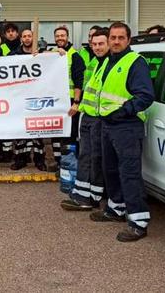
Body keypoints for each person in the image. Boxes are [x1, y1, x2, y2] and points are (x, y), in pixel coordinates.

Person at [88, 22, 155, 242]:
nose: (116, 42)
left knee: (129, 174)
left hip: (126, 126)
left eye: (120, 38)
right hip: (108, 125)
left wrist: (122, 112)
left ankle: (138, 221)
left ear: (128, 40)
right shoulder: (108, 60)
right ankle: (116, 209)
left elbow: (145, 96)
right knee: (111, 170)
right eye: (113, 38)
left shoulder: (135, 62)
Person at [61, 27, 109, 211]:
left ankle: (91, 197)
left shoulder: (108, 64)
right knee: (87, 156)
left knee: (94, 158)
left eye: (100, 43)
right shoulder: (95, 63)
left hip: (100, 118)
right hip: (88, 116)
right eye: (94, 43)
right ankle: (83, 195)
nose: (97, 47)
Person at [48, 26, 85, 173]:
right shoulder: (51, 53)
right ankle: (59, 162)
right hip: (54, 101)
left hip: (69, 102)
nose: (60, 38)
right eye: (57, 36)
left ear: (68, 37)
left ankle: (69, 165)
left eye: (62, 35)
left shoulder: (74, 56)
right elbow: (37, 56)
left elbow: (78, 82)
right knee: (55, 133)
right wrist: (55, 52)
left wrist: (76, 103)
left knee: (69, 135)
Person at [9, 29, 46, 171]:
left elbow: (55, 58)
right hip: (19, 98)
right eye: (24, 36)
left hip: (37, 98)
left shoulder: (41, 54)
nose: (27, 38)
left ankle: (39, 160)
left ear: (33, 38)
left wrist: (59, 53)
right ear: (21, 39)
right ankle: (20, 159)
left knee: (37, 131)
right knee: (20, 131)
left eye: (29, 36)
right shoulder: (14, 55)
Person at [0, 22, 21, 163]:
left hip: (18, 91)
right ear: (4, 34)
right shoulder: (0, 47)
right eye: (8, 31)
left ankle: (17, 153)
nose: (10, 33)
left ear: (17, 33)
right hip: (3, 91)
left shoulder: (23, 48)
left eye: (13, 31)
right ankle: (4, 152)